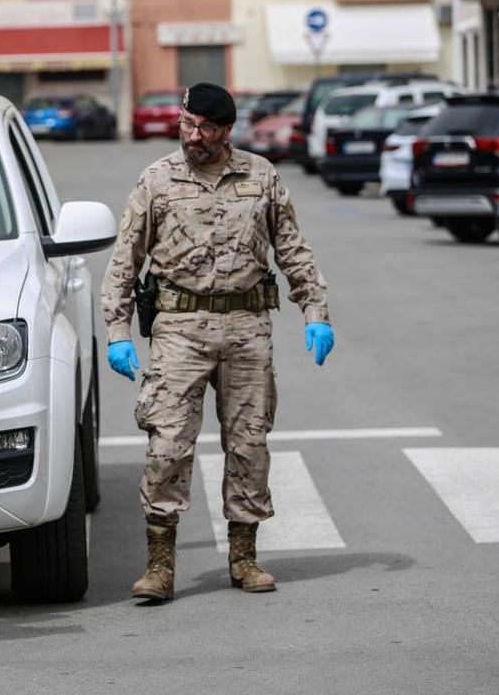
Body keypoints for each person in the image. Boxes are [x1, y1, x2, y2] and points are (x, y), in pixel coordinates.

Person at [100, 82, 335, 602]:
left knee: (249, 444)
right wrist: (117, 332)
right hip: (179, 330)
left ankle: (244, 559)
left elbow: (293, 250)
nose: (193, 136)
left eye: (205, 128)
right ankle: (160, 567)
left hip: (247, 329)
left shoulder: (261, 177)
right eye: (187, 124)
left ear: (227, 131)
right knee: (167, 445)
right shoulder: (157, 181)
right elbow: (124, 262)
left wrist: (315, 312)